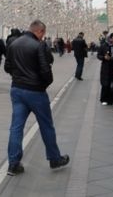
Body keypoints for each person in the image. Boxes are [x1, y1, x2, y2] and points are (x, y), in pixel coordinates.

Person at [5, 20, 70, 176]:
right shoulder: (39, 45)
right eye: (43, 34)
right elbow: (46, 70)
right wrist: (44, 84)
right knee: (46, 125)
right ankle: (54, 159)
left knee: (16, 127)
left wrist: (18, 77)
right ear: (40, 31)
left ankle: (13, 164)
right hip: (35, 92)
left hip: (17, 89)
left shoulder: (13, 43)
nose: (43, 37)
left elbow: (7, 67)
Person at [97, 33, 113, 106]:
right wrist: (104, 57)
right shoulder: (103, 46)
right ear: (109, 38)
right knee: (105, 84)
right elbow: (98, 55)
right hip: (105, 66)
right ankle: (104, 99)